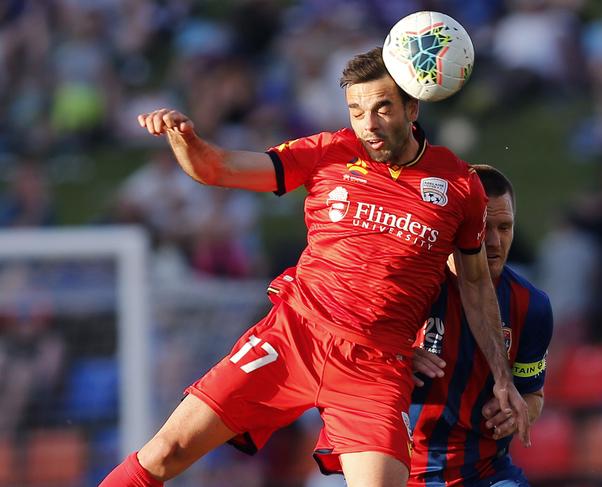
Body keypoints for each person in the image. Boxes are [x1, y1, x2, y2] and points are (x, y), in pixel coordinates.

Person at [100, 47, 529, 487]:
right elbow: (219, 167)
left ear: (412, 107)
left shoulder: (459, 187)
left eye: (382, 108)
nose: (369, 125)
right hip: (292, 338)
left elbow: (476, 287)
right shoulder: (328, 152)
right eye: (357, 111)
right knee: (165, 452)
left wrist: (502, 377)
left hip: (375, 366)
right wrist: (183, 137)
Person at [409, 165, 553, 487]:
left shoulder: (532, 305)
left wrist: (516, 414)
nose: (493, 241)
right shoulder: (412, 285)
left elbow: (533, 395)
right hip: (401, 471)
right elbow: (346, 356)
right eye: (483, 227)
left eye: (504, 227)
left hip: (485, 473)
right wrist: (396, 356)